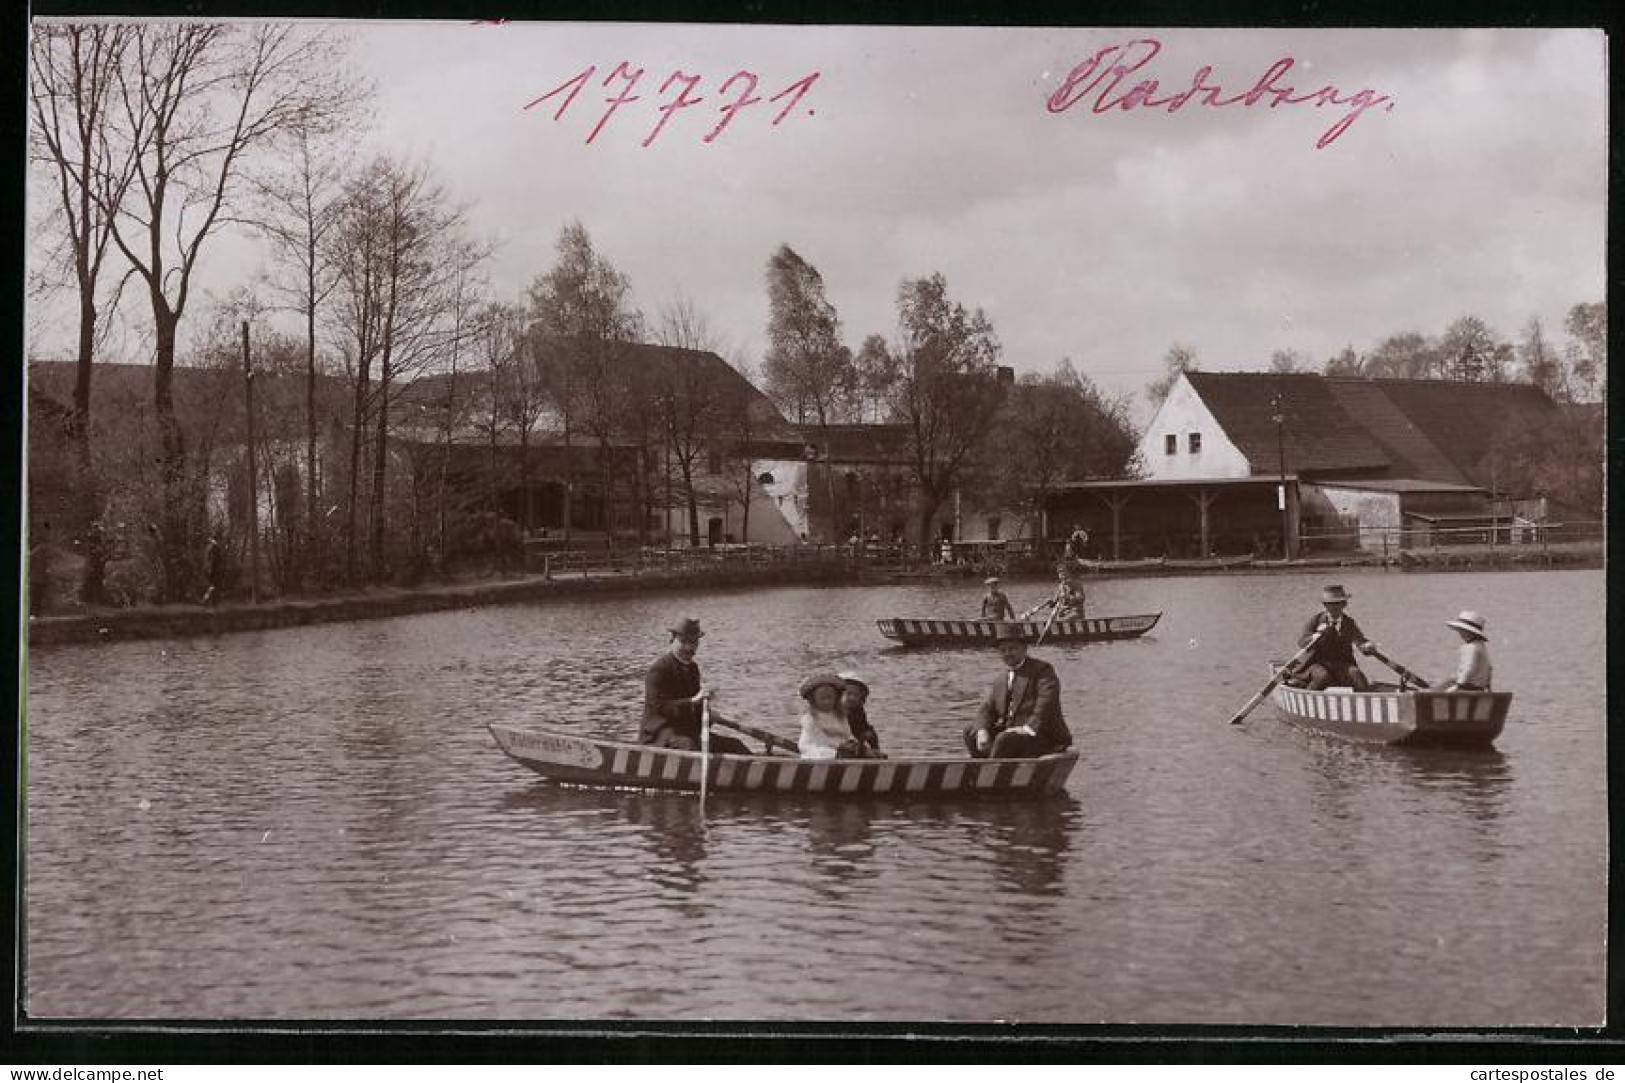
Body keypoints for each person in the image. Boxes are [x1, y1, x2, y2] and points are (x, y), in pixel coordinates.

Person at [641, 617, 751, 754]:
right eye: (683, 642)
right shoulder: (659, 670)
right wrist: (693, 701)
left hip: (686, 733)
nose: (689, 648)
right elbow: (661, 708)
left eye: (693, 642)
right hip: (658, 735)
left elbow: (694, 710)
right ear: (672, 640)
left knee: (735, 746)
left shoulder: (693, 669)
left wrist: (708, 714)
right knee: (689, 746)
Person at [963, 624, 1073, 759]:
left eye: (1012, 649)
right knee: (970, 732)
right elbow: (987, 708)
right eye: (1003, 650)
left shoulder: (1042, 670)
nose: (1007, 653)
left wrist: (1027, 728)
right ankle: (981, 772)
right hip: (1011, 736)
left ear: (1024, 649)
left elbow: (1046, 703)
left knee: (1005, 739)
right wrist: (982, 730)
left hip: (1041, 736)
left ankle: (991, 772)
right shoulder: (1001, 680)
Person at [1296, 584, 1376, 691]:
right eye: (1330, 604)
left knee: (1356, 674)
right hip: (1317, 664)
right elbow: (1302, 643)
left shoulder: (1349, 623)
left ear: (1344, 604)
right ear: (1324, 605)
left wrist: (1366, 646)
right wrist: (1314, 637)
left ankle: (1366, 701)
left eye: (1338, 603)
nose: (1334, 607)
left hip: (1342, 664)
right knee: (1322, 676)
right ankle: (1307, 697)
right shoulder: (1315, 621)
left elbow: (1360, 641)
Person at [797, 672, 867, 759]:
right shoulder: (810, 718)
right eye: (822, 698)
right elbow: (821, 739)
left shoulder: (840, 716)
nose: (827, 702)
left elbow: (847, 733)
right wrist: (838, 748)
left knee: (857, 750)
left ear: (836, 698)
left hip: (840, 747)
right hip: (816, 747)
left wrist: (852, 742)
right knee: (823, 752)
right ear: (813, 700)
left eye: (830, 698)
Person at [1442, 610, 1493, 691]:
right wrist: (1488, 687)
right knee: (1450, 679)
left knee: (1438, 687)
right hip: (1479, 688)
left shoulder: (1470, 647)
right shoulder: (1481, 646)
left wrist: (1458, 685)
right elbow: (1489, 669)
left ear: (1470, 632)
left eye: (1462, 630)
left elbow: (1468, 668)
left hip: (1467, 687)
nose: (1460, 633)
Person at [838, 671, 883, 757]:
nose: (851, 698)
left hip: (853, 745)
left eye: (856, 694)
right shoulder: (830, 711)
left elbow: (865, 730)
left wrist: (874, 747)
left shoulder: (858, 712)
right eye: (848, 693)